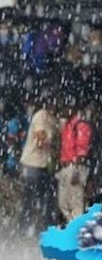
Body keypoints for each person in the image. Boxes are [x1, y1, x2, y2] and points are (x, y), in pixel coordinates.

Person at [19, 98, 58, 233]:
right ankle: (25, 226)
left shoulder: (52, 118)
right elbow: (40, 136)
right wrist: (54, 148)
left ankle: (36, 227)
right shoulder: (41, 116)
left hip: (44, 163)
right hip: (33, 162)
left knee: (41, 196)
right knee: (31, 197)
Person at [55, 102, 94, 223]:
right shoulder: (68, 125)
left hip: (74, 168)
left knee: (76, 204)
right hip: (66, 167)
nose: (63, 111)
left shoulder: (80, 125)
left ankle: (75, 231)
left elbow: (82, 151)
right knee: (63, 204)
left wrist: (76, 171)